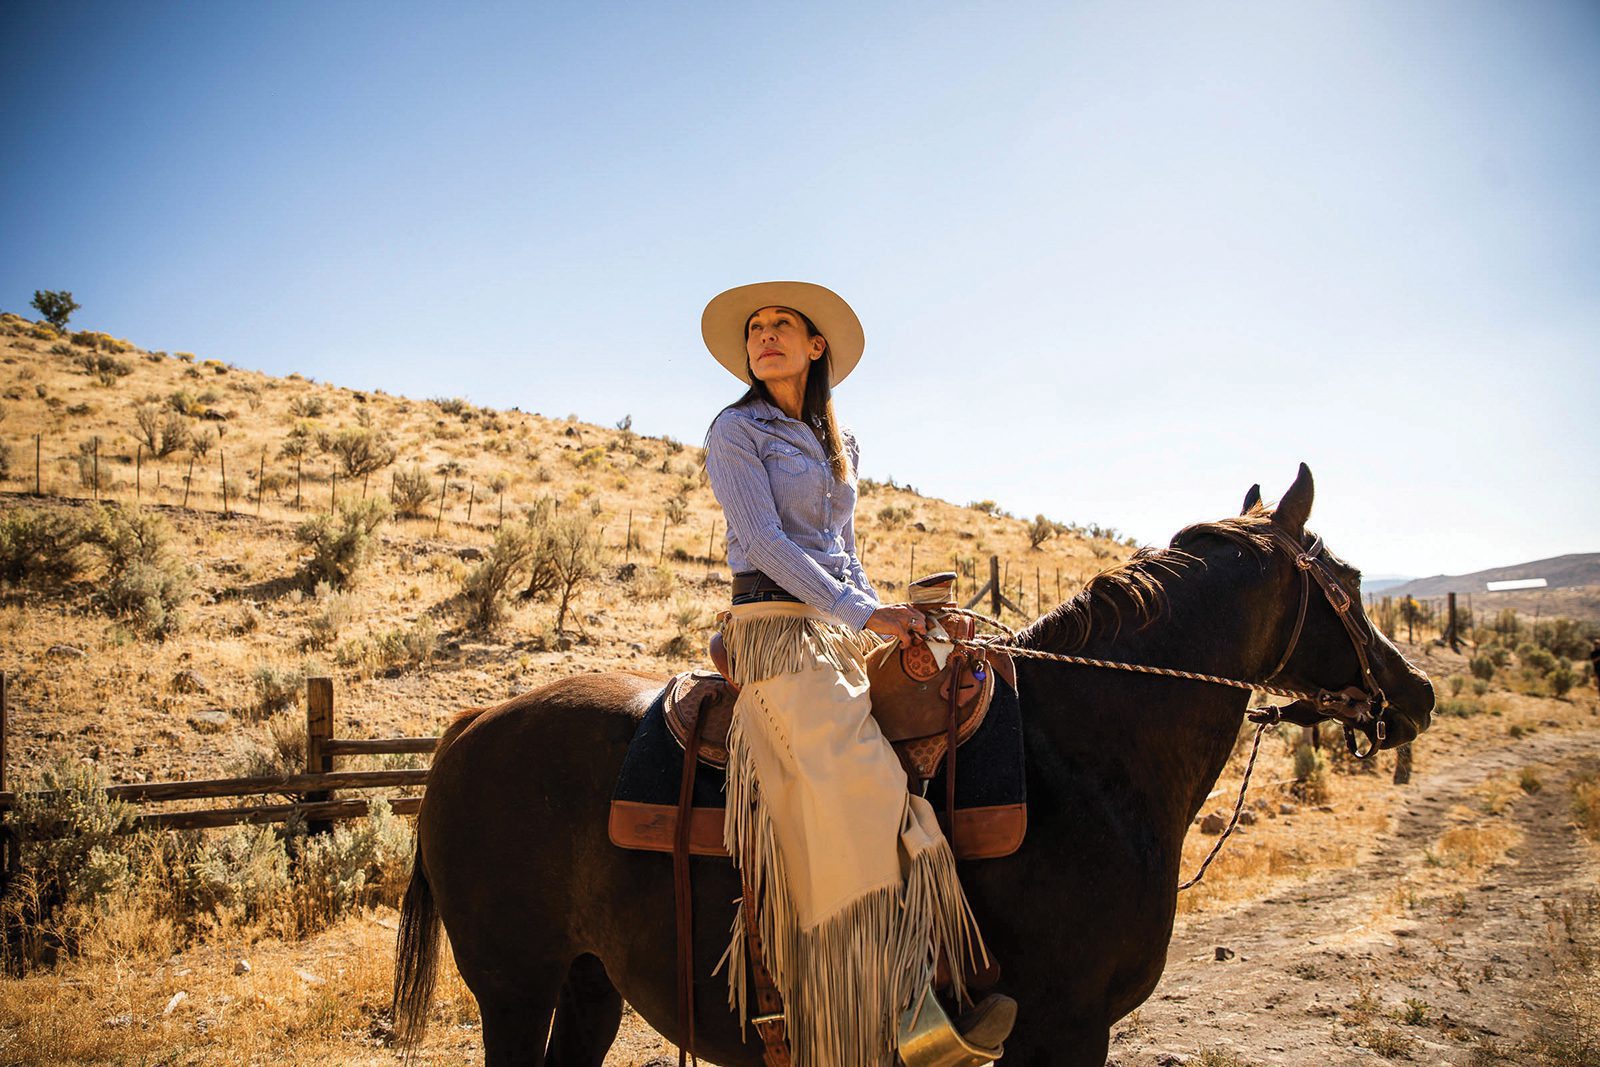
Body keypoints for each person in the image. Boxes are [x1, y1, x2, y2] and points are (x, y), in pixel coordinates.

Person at [701, 281, 1014, 1067]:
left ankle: (924, 978)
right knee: (868, 785)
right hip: (776, 632)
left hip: (838, 627)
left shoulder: (840, 444)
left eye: (783, 326)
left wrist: (896, 617)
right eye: (756, 329)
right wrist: (862, 611)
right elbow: (765, 542)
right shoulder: (735, 430)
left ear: (816, 347)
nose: (765, 336)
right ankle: (881, 1005)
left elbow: (845, 551)